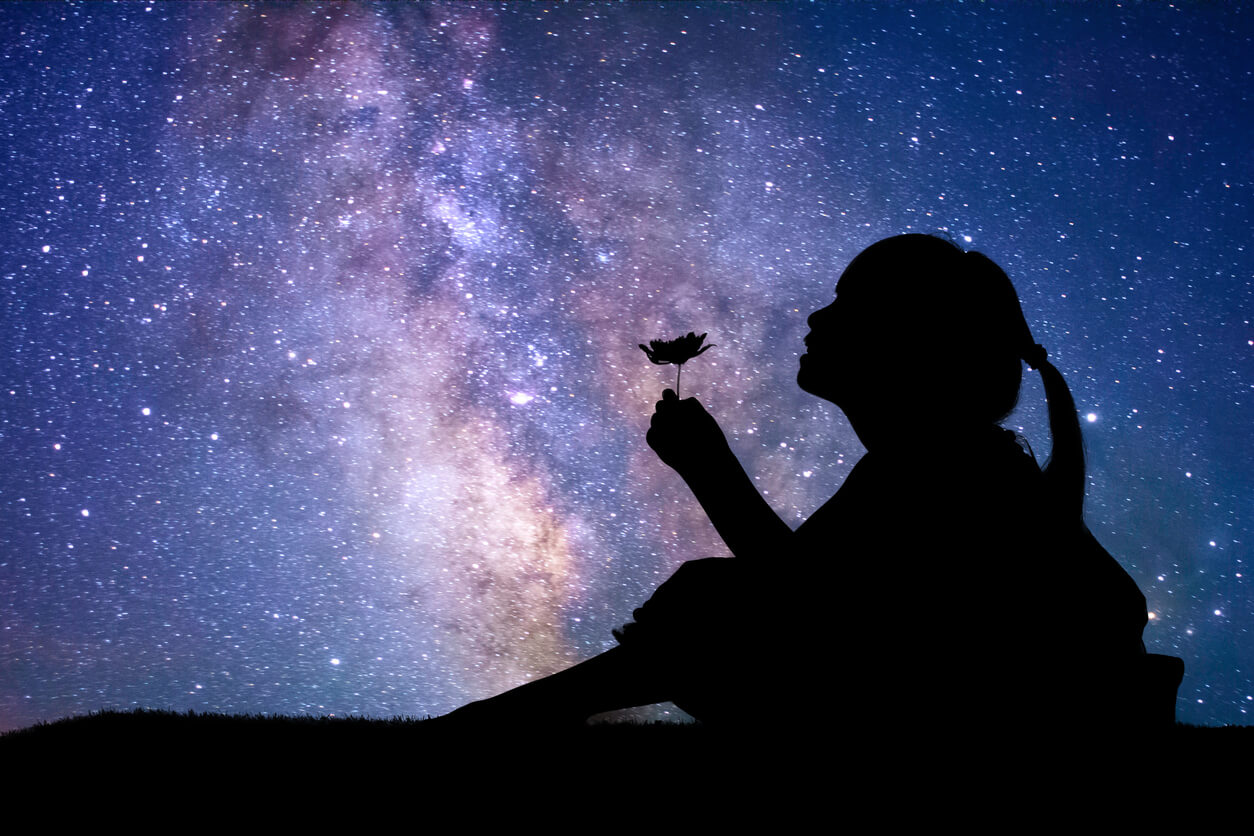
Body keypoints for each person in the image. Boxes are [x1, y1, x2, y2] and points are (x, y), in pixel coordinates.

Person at [437, 233, 1152, 734]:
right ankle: (499, 718)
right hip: (969, 704)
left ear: (907, 338)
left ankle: (492, 722)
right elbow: (810, 596)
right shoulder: (944, 458)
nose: (816, 316)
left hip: (987, 723)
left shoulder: (951, 466)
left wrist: (710, 470)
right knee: (715, 597)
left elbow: (812, 608)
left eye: (848, 302)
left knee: (713, 602)